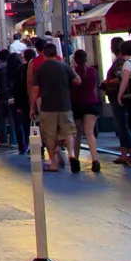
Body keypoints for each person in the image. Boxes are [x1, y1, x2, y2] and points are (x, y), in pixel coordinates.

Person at [28, 38, 79, 173]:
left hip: (47, 106)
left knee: (49, 135)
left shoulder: (40, 69)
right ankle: (71, 155)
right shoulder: (64, 66)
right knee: (68, 131)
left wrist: (32, 108)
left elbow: (34, 91)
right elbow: (77, 81)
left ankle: (53, 164)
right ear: (56, 53)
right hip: (65, 105)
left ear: (44, 54)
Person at [72, 48, 104, 173]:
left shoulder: (73, 72)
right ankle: (95, 160)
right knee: (90, 133)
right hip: (91, 103)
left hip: (77, 104)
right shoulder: (92, 71)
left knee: (77, 134)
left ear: (75, 60)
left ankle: (75, 159)